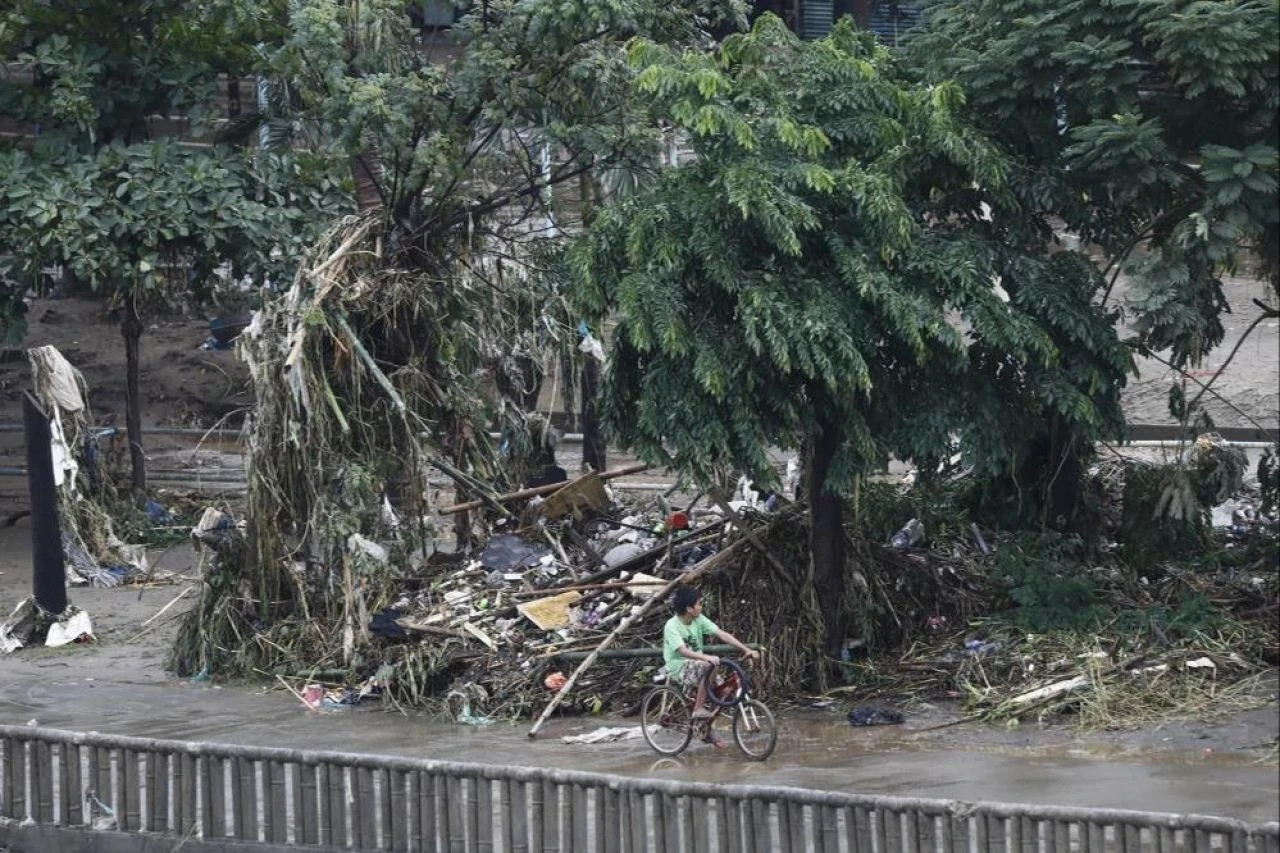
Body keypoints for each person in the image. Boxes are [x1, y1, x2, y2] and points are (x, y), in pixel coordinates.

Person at [662, 585, 761, 737]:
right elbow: (683, 651)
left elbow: (722, 634)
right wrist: (706, 657)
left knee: (725, 690)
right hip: (680, 666)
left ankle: (705, 728)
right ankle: (698, 709)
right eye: (699, 604)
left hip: (699, 665)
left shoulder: (699, 619)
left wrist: (745, 650)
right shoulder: (671, 626)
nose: (701, 607)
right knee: (711, 664)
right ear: (689, 608)